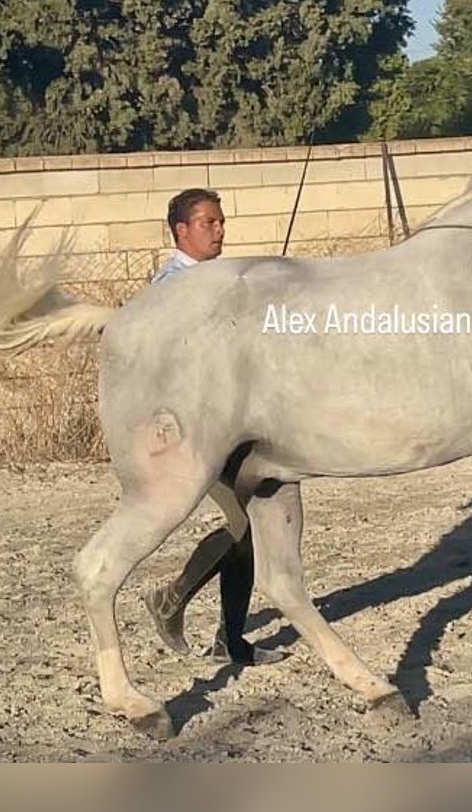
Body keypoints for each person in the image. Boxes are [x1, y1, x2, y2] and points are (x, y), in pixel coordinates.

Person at [143, 188, 286, 667]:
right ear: (181, 231)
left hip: (228, 424)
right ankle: (170, 599)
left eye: (222, 222)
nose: (220, 230)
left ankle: (233, 641)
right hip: (190, 429)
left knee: (246, 536)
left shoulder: (216, 279)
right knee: (238, 524)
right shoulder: (171, 286)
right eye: (209, 223)